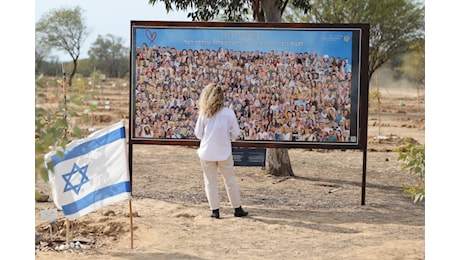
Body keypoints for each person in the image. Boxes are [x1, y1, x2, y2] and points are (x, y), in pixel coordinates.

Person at [194, 83, 249, 219]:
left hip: (207, 152)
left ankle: (215, 210)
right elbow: (235, 133)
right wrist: (226, 137)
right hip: (224, 151)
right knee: (230, 180)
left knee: (210, 181)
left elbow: (198, 134)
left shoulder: (204, 113)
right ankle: (237, 208)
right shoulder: (229, 113)